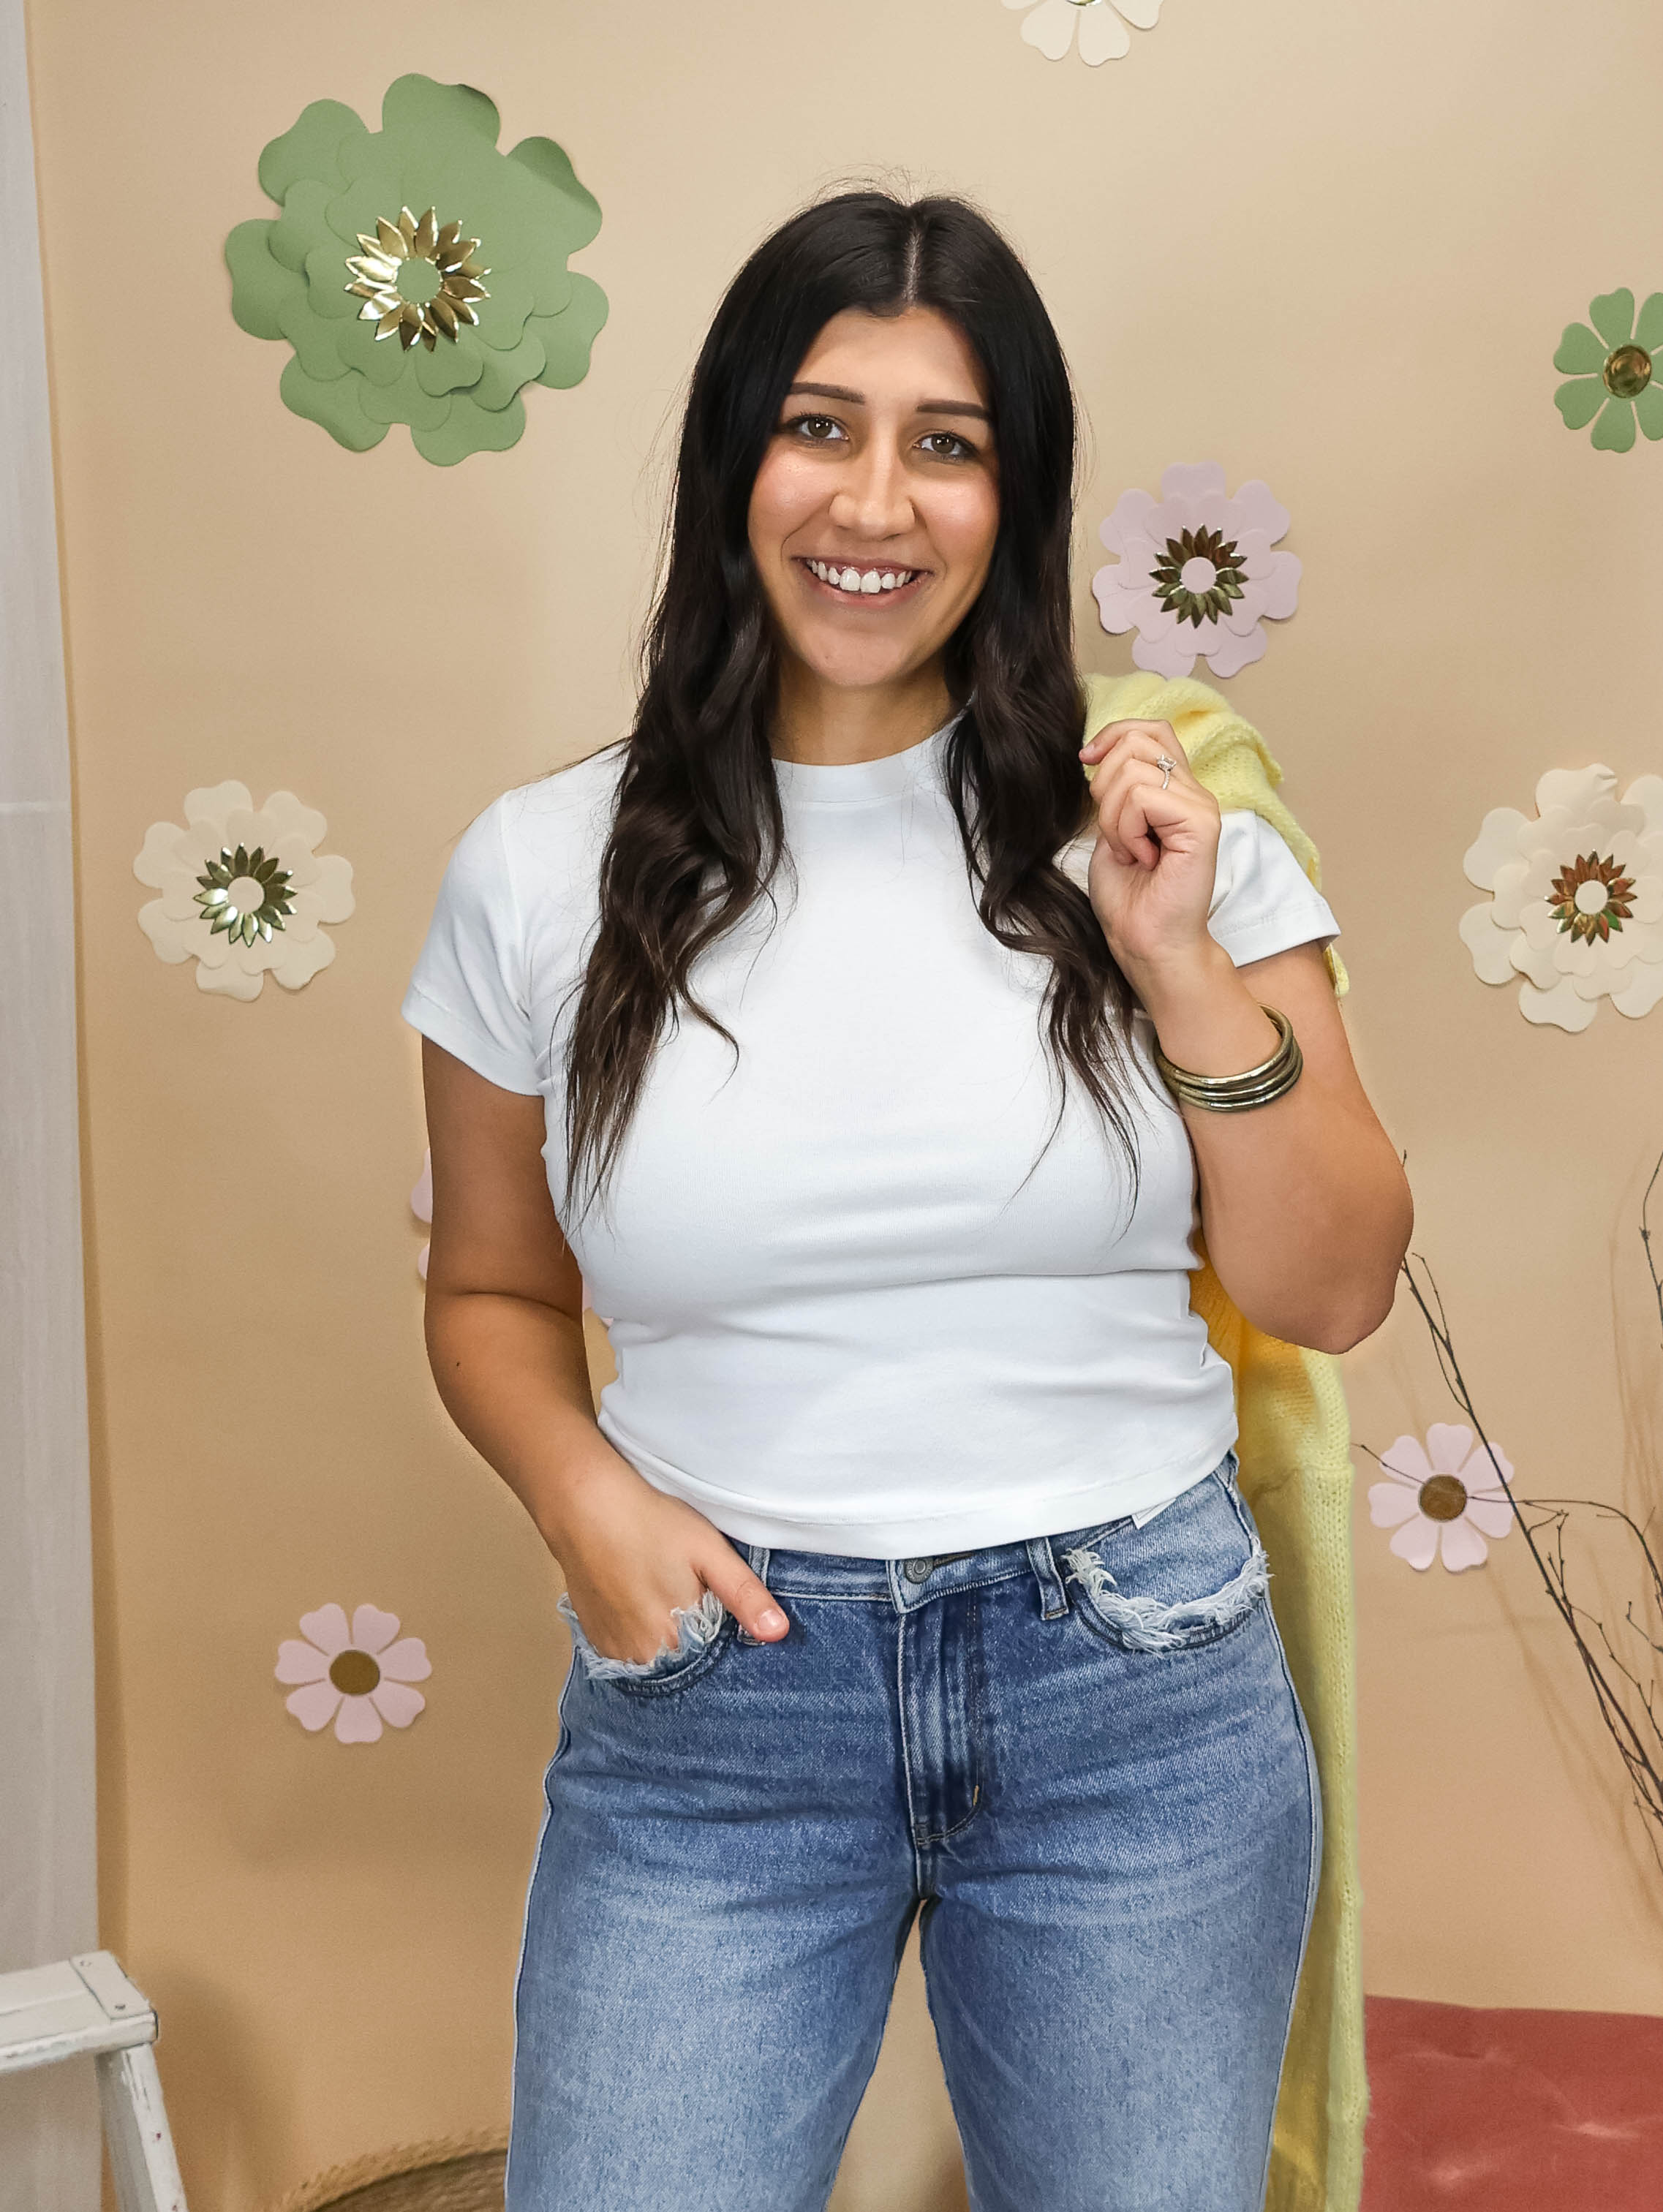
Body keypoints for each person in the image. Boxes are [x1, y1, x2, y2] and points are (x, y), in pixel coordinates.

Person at [402, 189, 1411, 2212]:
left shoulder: (1160, 830)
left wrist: (1177, 960)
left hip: (1129, 1680)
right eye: (818, 425)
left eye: (946, 443)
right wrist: (586, 1504)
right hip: (721, 1704)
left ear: (1011, 497)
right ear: (732, 460)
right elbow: (492, 1290)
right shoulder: (539, 868)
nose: (875, 502)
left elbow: (1330, 1286)